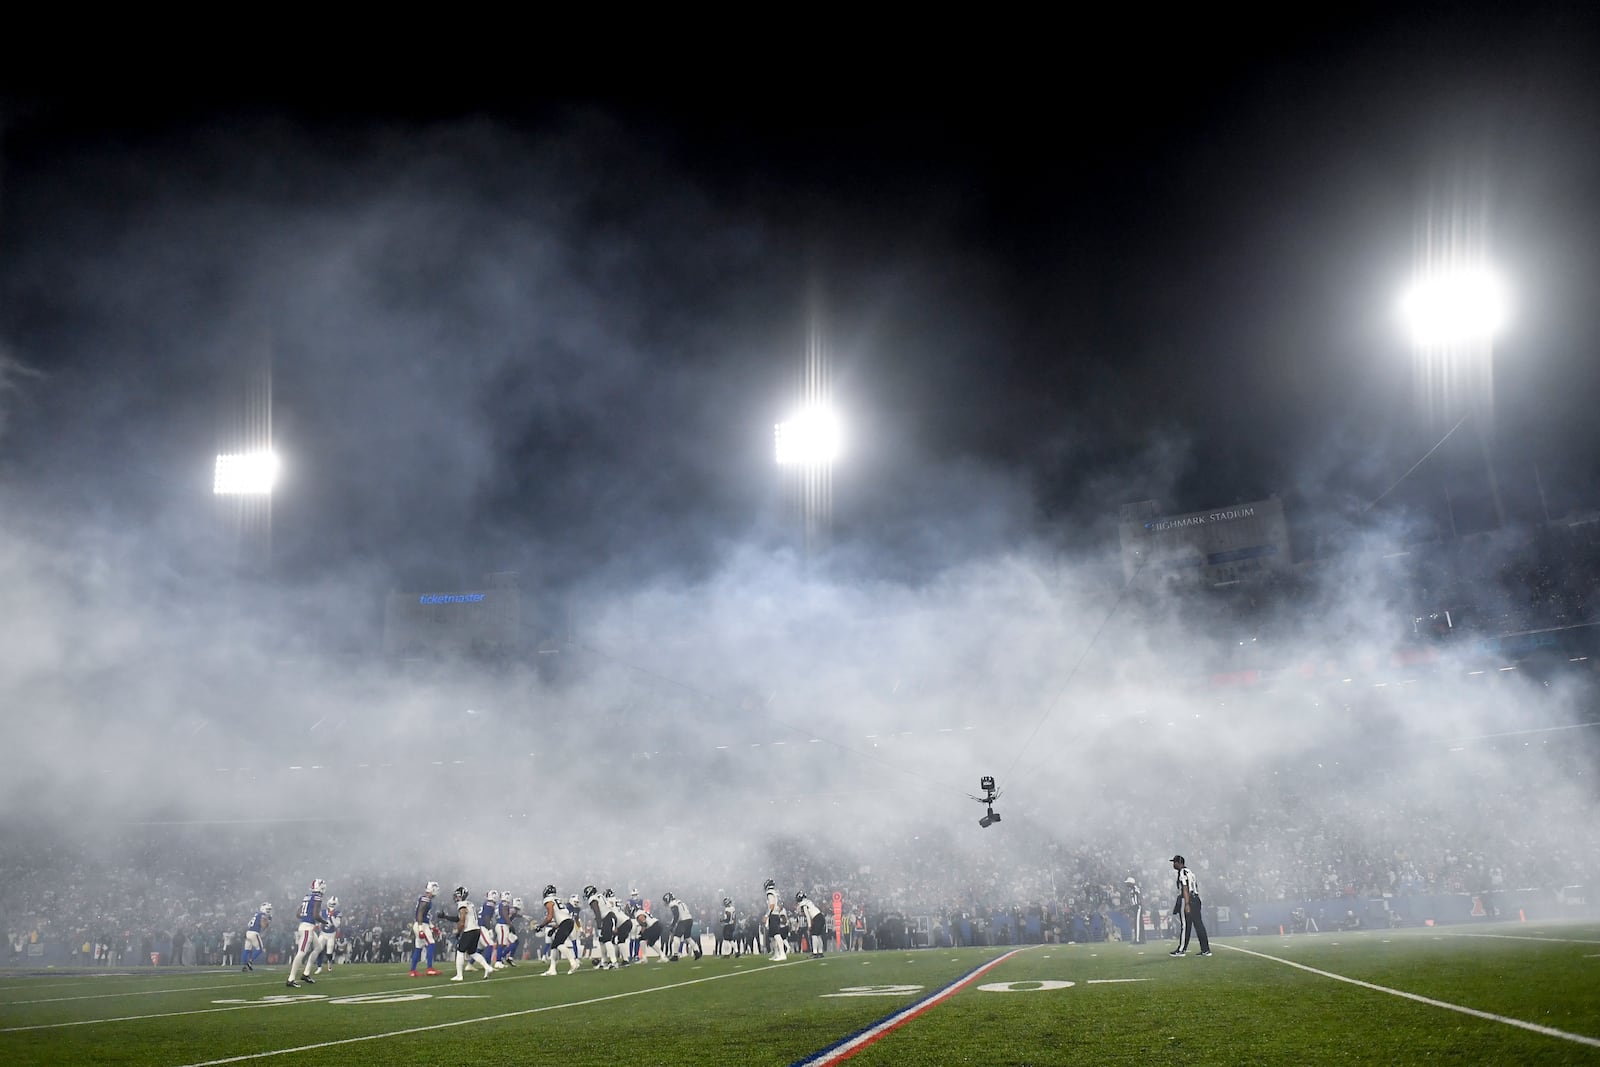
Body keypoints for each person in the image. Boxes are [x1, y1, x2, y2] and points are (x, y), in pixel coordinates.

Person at [437, 885, 493, 980]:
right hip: (476, 930)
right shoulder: (469, 904)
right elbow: (458, 918)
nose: (456, 897)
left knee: (460, 951)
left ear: (461, 895)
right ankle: (488, 967)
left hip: (469, 930)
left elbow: (462, 920)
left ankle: (459, 975)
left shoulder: (462, 904)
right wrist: (445, 917)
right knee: (472, 952)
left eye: (457, 895)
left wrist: (458, 932)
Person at [286, 879, 327, 988]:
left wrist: (307, 917)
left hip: (306, 927)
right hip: (307, 929)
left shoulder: (307, 897)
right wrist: (325, 922)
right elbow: (316, 915)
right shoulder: (317, 898)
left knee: (318, 947)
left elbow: (298, 914)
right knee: (302, 952)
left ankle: (306, 974)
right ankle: (291, 979)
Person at [1169, 855, 1211, 957]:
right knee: (1198, 925)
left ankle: (1181, 949)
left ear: (1179, 863)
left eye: (1174, 862)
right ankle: (1206, 949)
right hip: (1196, 898)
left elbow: (1185, 887)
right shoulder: (1190, 872)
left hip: (1187, 899)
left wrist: (1187, 903)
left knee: (1185, 925)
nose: (1173, 864)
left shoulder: (1182, 872)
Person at [410, 881, 442, 977]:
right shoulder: (426, 899)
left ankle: (412, 970)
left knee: (418, 947)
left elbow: (424, 916)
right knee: (431, 944)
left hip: (422, 924)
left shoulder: (426, 899)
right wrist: (420, 929)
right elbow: (420, 913)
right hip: (421, 925)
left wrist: (432, 927)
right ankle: (429, 968)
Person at [663, 892, 700, 961]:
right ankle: (697, 952)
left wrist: (672, 925)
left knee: (676, 937)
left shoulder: (672, 904)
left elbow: (676, 916)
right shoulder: (680, 902)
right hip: (689, 919)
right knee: (688, 937)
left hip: (683, 921)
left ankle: (675, 955)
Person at [311, 896, 341, 974]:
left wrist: (332, 916)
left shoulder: (337, 913)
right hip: (323, 933)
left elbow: (337, 925)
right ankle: (319, 966)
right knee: (318, 949)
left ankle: (329, 962)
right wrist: (317, 925)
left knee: (329, 952)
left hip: (331, 934)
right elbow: (320, 920)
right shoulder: (323, 911)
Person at [795, 892, 827, 957]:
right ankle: (820, 952)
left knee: (814, 935)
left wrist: (809, 925)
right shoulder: (808, 902)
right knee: (818, 935)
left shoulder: (803, 904)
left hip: (817, 918)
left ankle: (815, 952)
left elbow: (807, 915)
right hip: (820, 917)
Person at [242, 902, 271, 973]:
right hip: (254, 933)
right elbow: (263, 926)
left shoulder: (256, 914)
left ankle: (244, 965)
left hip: (248, 932)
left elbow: (249, 924)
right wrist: (268, 921)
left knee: (247, 949)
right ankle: (250, 961)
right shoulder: (262, 915)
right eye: (268, 909)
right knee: (260, 949)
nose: (269, 911)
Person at [764, 879, 788, 961]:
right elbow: (781, 904)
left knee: (776, 935)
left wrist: (766, 915)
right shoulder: (776, 892)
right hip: (776, 914)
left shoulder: (770, 893)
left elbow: (772, 904)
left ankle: (782, 953)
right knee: (772, 936)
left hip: (773, 915)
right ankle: (776, 953)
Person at [1124, 877, 1145, 944]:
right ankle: (1141, 939)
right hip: (1136, 907)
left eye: (1128, 883)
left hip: (1137, 907)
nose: (1127, 884)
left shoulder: (1134, 889)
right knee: (1138, 923)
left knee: (1137, 924)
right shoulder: (1132, 889)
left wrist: (1135, 906)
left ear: (1131, 883)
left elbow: (1138, 898)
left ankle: (1138, 939)